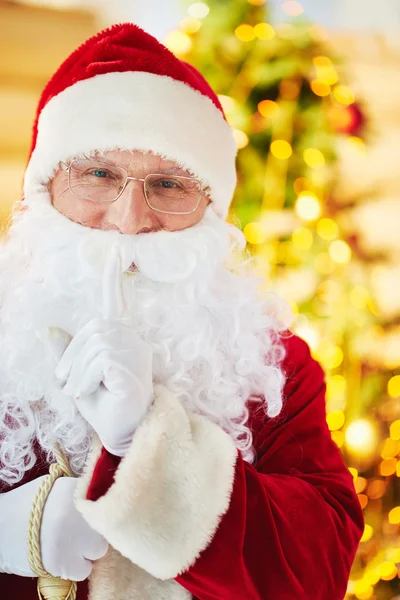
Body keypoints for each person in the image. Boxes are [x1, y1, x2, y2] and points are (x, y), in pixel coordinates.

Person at [0, 22, 363, 600]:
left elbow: (316, 574)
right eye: (97, 174)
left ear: (212, 213)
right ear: (43, 190)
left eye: (169, 185)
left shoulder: (273, 366)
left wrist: (148, 443)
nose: (129, 219)